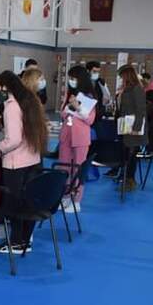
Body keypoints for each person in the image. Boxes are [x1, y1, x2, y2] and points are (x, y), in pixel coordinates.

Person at [0, 71, 48, 254]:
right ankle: (25, 240)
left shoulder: (11, 106)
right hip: (33, 159)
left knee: (14, 202)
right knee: (28, 202)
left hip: (16, 163)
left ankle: (15, 242)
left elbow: (13, 139)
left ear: (5, 87)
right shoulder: (30, 101)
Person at [58, 65, 96, 212]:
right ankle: (66, 196)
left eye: (74, 78)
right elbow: (62, 113)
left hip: (80, 137)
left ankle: (77, 200)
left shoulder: (89, 97)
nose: (71, 81)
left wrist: (78, 109)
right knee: (64, 167)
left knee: (78, 168)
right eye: (70, 78)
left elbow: (90, 119)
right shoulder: (69, 94)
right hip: (66, 135)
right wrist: (68, 108)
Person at [116, 65, 148, 192]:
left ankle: (130, 180)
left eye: (122, 76)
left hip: (133, 127)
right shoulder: (128, 89)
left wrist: (136, 127)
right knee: (127, 154)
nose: (121, 79)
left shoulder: (137, 89)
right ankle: (126, 178)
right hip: (126, 125)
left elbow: (141, 110)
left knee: (131, 155)